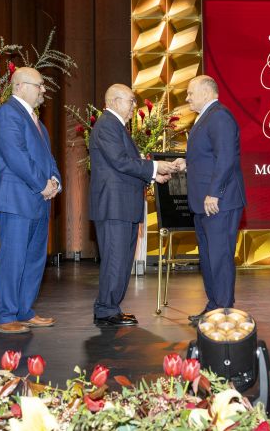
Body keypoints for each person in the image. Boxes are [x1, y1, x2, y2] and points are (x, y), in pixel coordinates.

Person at [88, 84, 176, 326]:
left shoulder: (115, 126)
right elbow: (120, 162)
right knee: (115, 259)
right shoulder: (108, 125)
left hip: (121, 205)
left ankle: (110, 307)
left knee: (121, 260)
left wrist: (153, 176)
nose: (134, 106)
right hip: (114, 206)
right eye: (131, 100)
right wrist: (155, 167)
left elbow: (124, 165)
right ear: (115, 101)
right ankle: (106, 310)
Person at [0, 67, 61, 334]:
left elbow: (49, 159)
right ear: (19, 86)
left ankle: (24, 311)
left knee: (34, 258)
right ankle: (5, 315)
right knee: (14, 257)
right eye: (39, 85)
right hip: (15, 198)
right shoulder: (7, 113)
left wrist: (55, 181)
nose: (43, 90)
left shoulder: (38, 123)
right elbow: (16, 156)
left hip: (37, 199)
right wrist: (43, 184)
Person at [176, 76, 246, 325]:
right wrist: (186, 163)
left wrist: (214, 192)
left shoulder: (219, 116)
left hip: (219, 202)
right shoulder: (205, 117)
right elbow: (208, 156)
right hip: (204, 203)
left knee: (219, 258)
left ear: (206, 92)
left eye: (190, 93)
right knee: (208, 258)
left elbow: (226, 158)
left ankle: (224, 312)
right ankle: (214, 307)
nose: (187, 98)